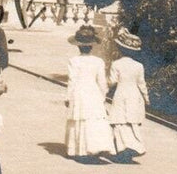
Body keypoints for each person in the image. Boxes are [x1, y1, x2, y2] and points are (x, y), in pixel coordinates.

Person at [63, 24, 112, 160]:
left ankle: (78, 148)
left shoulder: (74, 61)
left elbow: (72, 80)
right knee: (92, 118)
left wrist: (68, 97)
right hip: (93, 92)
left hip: (79, 91)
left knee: (79, 118)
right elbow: (102, 82)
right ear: (92, 46)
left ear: (78, 46)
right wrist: (102, 96)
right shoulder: (98, 62)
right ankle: (93, 146)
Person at [107, 29, 149, 162]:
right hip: (134, 95)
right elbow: (141, 84)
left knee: (120, 121)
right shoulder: (139, 66)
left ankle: (122, 148)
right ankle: (134, 146)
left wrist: (104, 87)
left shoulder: (116, 64)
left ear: (120, 49)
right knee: (131, 121)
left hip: (121, 94)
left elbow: (112, 81)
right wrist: (146, 98)